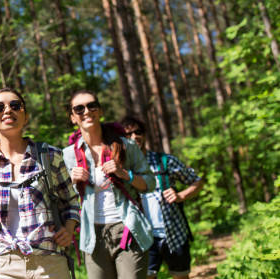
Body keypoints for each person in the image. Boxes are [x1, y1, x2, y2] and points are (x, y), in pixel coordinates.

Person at [0, 87, 80, 278]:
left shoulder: (50, 156)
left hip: (50, 262)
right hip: (5, 264)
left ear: (26, 116)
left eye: (15, 105)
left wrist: (69, 229)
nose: (7, 110)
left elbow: (72, 201)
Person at [62, 90, 155, 279]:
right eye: (79, 108)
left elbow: (150, 183)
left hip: (128, 228)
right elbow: (61, 198)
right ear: (73, 117)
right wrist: (71, 180)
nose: (86, 111)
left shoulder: (126, 146)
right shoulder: (68, 154)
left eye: (91, 105)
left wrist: (124, 173)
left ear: (100, 110)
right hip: (92, 235)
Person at [120, 116, 204, 279]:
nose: (134, 137)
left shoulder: (164, 161)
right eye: (128, 134)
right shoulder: (122, 168)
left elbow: (197, 181)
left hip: (174, 233)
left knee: (181, 276)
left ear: (144, 135)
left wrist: (181, 195)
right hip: (141, 237)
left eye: (138, 132)